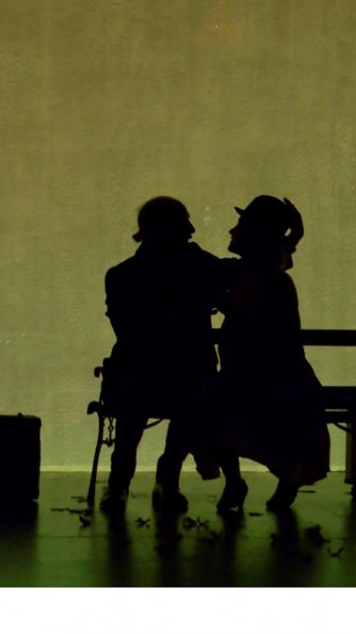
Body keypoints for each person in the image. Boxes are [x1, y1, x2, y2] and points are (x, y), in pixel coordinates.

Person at [193, 195, 330, 511]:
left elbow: (249, 316)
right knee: (218, 404)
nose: (233, 230)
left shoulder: (258, 277)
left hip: (258, 375)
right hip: (274, 375)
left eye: (241, 224)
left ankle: (238, 482)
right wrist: (293, 238)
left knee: (213, 404)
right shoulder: (265, 273)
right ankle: (276, 481)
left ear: (255, 232)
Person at [99, 196, 231, 513]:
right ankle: (167, 477)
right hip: (188, 373)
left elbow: (127, 333)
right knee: (191, 401)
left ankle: (119, 483)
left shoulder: (121, 275)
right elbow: (243, 273)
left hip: (138, 373)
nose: (191, 230)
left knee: (131, 415)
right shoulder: (198, 268)